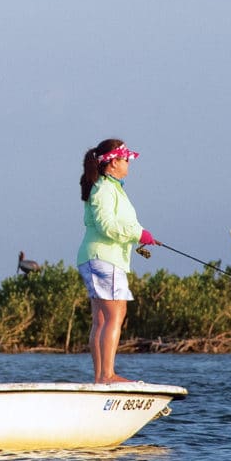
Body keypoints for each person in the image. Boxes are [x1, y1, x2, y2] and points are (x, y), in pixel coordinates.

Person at [76, 139, 158, 383]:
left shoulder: (111, 188)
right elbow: (106, 225)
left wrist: (143, 234)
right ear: (112, 164)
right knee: (115, 315)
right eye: (124, 160)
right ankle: (107, 375)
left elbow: (121, 223)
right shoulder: (104, 189)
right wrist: (137, 234)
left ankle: (102, 377)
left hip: (101, 258)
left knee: (102, 318)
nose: (128, 164)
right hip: (104, 258)